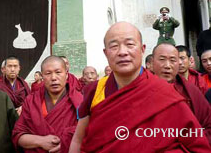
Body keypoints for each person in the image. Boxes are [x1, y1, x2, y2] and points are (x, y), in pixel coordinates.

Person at [69, 22, 211, 152]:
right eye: (114, 46)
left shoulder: (165, 93)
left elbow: (196, 144)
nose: (122, 52)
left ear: (142, 49)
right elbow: (77, 140)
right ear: (106, 53)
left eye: (130, 44)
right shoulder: (95, 90)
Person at [12, 56, 83, 153]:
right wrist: (41, 141)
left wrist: (67, 143)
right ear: (42, 76)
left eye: (58, 72)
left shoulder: (79, 100)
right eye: (48, 73)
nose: (53, 78)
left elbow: (90, 134)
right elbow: (18, 135)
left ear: (66, 74)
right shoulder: (32, 101)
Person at [153, 43, 211, 144]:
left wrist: (192, 142)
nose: (167, 66)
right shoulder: (141, 90)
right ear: (152, 63)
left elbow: (208, 124)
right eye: (162, 59)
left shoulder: (190, 90)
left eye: (173, 60)